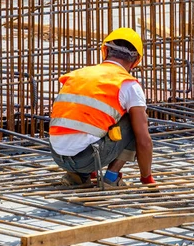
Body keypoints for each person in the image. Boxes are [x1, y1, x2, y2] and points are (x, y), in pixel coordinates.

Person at [49, 27, 155, 188]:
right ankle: (111, 177)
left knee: (101, 117)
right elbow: (144, 141)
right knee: (137, 120)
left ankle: (78, 176)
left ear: (105, 51)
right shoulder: (127, 84)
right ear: (136, 61)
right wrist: (147, 179)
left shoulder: (78, 74)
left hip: (57, 156)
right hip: (87, 159)